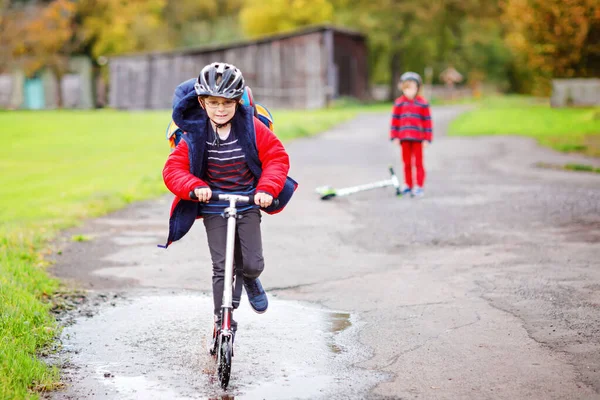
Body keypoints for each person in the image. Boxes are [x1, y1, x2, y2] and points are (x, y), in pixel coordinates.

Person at [161, 62, 297, 336]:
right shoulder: (195, 134)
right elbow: (173, 170)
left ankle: (250, 279)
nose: (220, 109)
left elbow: (276, 157)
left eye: (227, 103)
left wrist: (266, 189)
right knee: (222, 267)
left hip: (248, 201)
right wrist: (194, 185)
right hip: (214, 203)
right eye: (213, 103)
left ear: (237, 102)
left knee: (252, 263)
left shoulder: (251, 127)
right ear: (201, 102)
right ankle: (222, 320)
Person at [389, 72, 433, 197]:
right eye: (407, 88)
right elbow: (395, 121)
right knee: (406, 163)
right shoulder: (399, 103)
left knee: (418, 163)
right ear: (402, 88)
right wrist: (394, 136)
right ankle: (408, 184)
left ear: (418, 88)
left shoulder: (422, 103)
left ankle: (419, 186)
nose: (409, 91)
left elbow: (427, 122)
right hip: (404, 139)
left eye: (412, 88)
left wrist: (427, 139)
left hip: (418, 139)